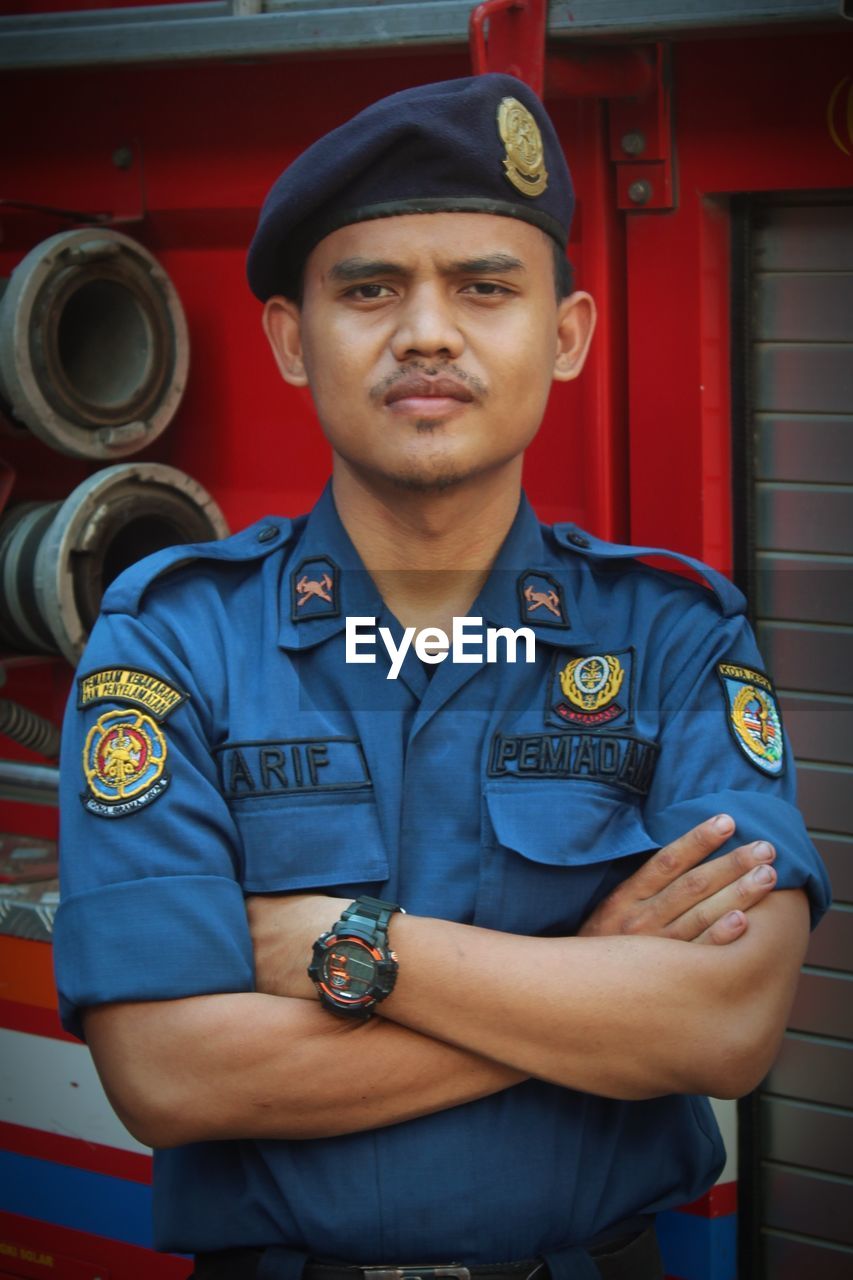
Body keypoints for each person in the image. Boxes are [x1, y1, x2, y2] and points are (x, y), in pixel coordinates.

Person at [54, 74, 830, 1280]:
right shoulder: (174, 641)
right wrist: (592, 978)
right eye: (369, 289)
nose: (426, 329)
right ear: (288, 338)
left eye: (483, 286)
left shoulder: (674, 635)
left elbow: (726, 1023)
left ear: (564, 335)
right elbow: (169, 1073)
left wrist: (348, 944)